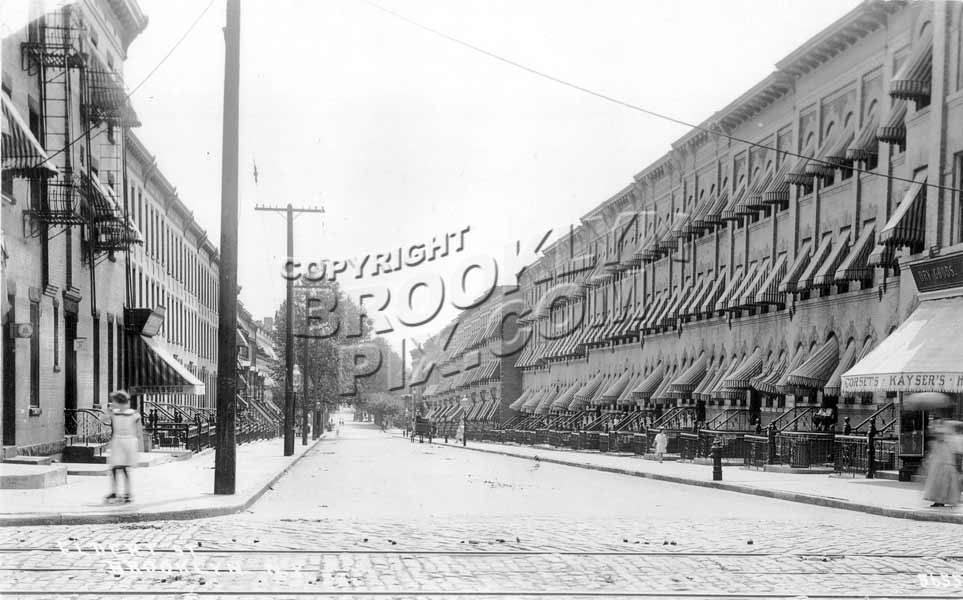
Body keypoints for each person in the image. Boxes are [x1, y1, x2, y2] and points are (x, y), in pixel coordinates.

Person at [103, 390, 142, 504]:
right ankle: (121, 492)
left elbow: (138, 430)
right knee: (118, 468)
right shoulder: (123, 413)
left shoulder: (130, 414)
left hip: (124, 441)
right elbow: (104, 420)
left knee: (121, 468)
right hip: (123, 441)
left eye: (114, 401)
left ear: (119, 402)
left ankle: (124, 492)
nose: (112, 403)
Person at [922, 420, 963, 508]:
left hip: (945, 462)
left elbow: (953, 449)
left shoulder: (948, 438)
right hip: (940, 462)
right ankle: (939, 500)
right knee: (938, 482)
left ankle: (941, 501)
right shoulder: (941, 440)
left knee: (943, 482)